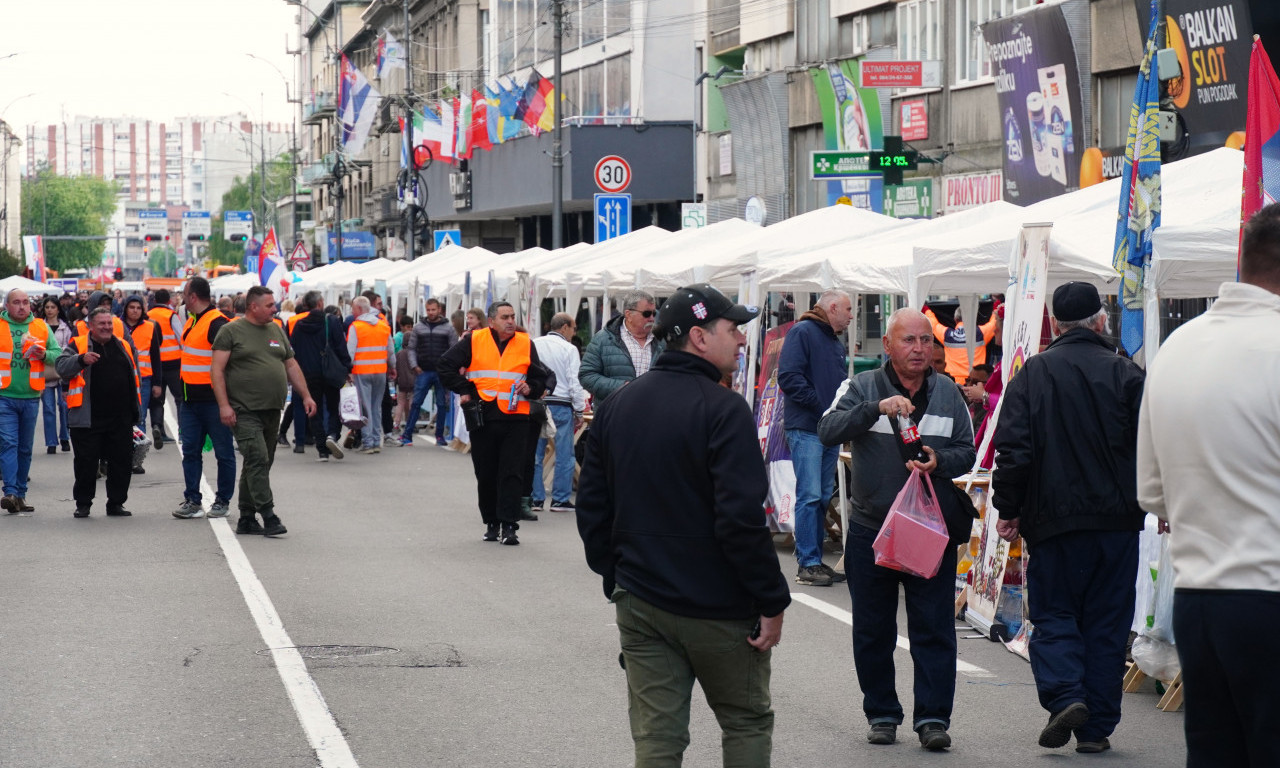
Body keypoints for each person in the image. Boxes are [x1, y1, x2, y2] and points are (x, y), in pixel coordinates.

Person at [576, 283, 789, 767]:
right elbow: (739, 520)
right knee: (745, 722)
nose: (741, 340)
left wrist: (617, 575)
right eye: (732, 329)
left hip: (642, 600)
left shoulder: (618, 406)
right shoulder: (723, 408)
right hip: (718, 605)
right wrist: (771, 598)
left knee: (657, 740)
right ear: (698, 336)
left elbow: (592, 509)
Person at [1136, 204, 1280, 767]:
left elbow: (1151, 492)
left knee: (1215, 754)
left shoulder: (1178, 348)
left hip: (1197, 598)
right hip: (1269, 592)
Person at [992, 282, 1145, 754]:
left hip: (1053, 522)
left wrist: (1008, 508)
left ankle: (1066, 696)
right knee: (1107, 622)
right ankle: (1096, 726)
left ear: (1054, 325)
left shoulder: (1031, 375)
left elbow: (1013, 450)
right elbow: (1150, 448)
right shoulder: (1127, 374)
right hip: (1117, 523)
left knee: (1056, 613)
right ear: (1101, 321)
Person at [818, 308, 976, 751]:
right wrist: (875, 409)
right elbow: (826, 428)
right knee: (872, 628)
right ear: (887, 346)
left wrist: (939, 460)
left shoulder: (948, 393)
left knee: (934, 627)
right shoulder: (861, 386)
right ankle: (882, 713)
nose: (919, 349)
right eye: (908, 340)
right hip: (873, 528)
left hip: (929, 528)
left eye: (926, 341)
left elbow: (968, 451)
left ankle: (932, 719)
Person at [437, 301, 547, 545]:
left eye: (512, 316)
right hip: (483, 414)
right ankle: (491, 522)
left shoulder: (525, 342)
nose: (510, 321)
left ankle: (510, 525)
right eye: (505, 317)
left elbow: (543, 377)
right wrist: (464, 388)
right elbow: (444, 365)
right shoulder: (474, 340)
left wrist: (531, 387)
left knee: (512, 471)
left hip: (516, 416)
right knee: (485, 472)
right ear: (492, 320)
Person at [212, 286, 315, 537]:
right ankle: (268, 515)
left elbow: (290, 364)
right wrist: (224, 405)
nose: (275, 308)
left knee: (259, 462)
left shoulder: (275, 329)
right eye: (269, 305)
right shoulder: (230, 331)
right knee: (258, 458)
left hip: (272, 409)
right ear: (253, 307)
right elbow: (216, 371)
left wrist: (306, 395)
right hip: (243, 409)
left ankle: (246, 517)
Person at [777, 289, 853, 587]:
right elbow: (789, 377)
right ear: (832, 307)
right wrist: (824, 408)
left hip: (825, 426)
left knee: (820, 495)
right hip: (809, 426)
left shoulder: (830, 338)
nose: (850, 316)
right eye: (847, 309)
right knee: (810, 495)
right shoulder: (803, 332)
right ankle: (807, 562)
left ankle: (813, 559)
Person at [56, 307, 141, 518]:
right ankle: (83, 503)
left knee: (121, 462)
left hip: (120, 417)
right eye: (102, 324)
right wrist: (81, 360)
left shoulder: (123, 345)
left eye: (109, 323)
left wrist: (135, 412)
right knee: (86, 463)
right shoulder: (78, 344)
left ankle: (116, 503)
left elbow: (134, 377)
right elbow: (61, 367)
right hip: (88, 418)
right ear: (91, 326)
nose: (107, 327)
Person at [173, 277, 236, 520]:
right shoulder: (192, 321)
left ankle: (222, 500)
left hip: (212, 401)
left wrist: (225, 403)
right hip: (190, 400)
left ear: (192, 297)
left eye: (184, 294)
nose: (181, 298)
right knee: (189, 452)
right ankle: (192, 500)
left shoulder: (216, 323)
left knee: (223, 453)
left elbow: (228, 362)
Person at [0, 289, 62, 513]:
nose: (22, 307)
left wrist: (43, 354)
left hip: (31, 396)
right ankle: (10, 492)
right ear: (7, 305)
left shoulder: (40, 327)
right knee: (8, 444)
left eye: (25, 302)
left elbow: (57, 354)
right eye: (16, 302)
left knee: (25, 448)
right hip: (4, 396)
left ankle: (21, 495)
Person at [530, 313, 586, 513]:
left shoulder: (534, 343)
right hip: (562, 404)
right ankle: (560, 499)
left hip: (538, 402)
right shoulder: (569, 349)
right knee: (565, 454)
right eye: (573, 328)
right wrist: (580, 409)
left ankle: (535, 499)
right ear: (564, 327)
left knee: (535, 453)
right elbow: (575, 381)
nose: (574, 332)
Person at [288, 290, 351, 462]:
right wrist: (347, 367)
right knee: (333, 406)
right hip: (330, 372)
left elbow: (293, 351)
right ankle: (332, 434)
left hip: (308, 373)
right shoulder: (330, 321)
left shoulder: (299, 325)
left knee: (313, 409)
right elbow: (340, 346)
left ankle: (322, 449)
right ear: (320, 303)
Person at [579, 290, 665, 405]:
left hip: (653, 413)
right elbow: (586, 376)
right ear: (629, 315)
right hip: (615, 414)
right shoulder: (603, 339)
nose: (652, 319)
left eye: (654, 313)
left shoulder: (662, 341)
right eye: (646, 314)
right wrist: (622, 387)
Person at [399, 298, 458, 447]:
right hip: (423, 370)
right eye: (428, 310)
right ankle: (407, 434)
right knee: (416, 403)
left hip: (441, 372)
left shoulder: (448, 328)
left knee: (441, 403)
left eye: (433, 309)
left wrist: (448, 368)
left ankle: (439, 436)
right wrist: (414, 365)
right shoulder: (418, 328)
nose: (431, 313)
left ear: (439, 310)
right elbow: (411, 348)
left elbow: (454, 349)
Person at [345, 296, 395, 454]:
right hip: (380, 371)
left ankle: (368, 443)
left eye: (353, 308)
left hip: (362, 371)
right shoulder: (383, 326)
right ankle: (376, 440)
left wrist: (348, 370)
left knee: (365, 407)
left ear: (359, 309)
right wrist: (392, 367)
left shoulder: (356, 327)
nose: (352, 312)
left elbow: (350, 351)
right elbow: (391, 351)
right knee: (376, 407)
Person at [122, 296, 163, 440]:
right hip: (121, 378)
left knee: (140, 415)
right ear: (126, 308)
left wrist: (157, 383)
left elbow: (156, 358)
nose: (135, 311)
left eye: (138, 308)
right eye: (132, 307)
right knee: (123, 415)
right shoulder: (117, 326)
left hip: (144, 379)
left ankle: (139, 450)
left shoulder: (150, 327)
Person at [148, 288, 184, 446]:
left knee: (157, 399)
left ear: (155, 300)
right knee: (180, 399)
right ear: (169, 301)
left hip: (155, 364)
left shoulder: (148, 316)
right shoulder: (171, 315)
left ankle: (158, 427)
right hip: (174, 363)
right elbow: (181, 337)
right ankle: (183, 431)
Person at [924, 304, 998, 382]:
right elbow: (994, 323)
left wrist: (926, 309)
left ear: (955, 319)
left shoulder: (947, 335)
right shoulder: (981, 333)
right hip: (974, 381)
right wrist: (996, 307)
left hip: (952, 380)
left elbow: (933, 324)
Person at [38, 297, 72, 455]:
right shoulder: (39, 327)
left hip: (63, 371)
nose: (50, 309)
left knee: (64, 406)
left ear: (58, 309)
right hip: (45, 370)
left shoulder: (66, 327)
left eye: (53, 307)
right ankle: (51, 442)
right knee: (48, 408)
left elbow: (70, 348)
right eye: (47, 307)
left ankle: (65, 438)